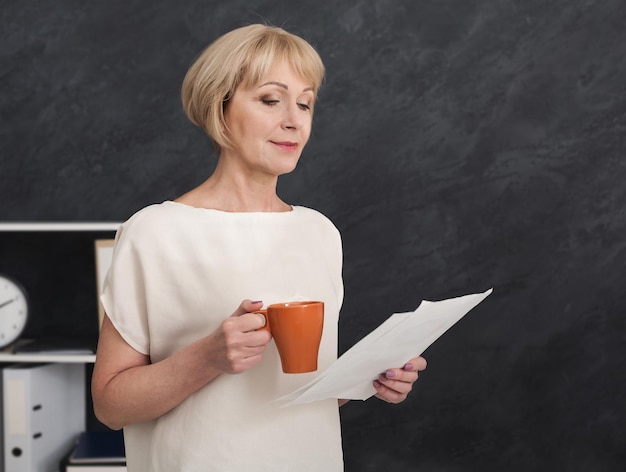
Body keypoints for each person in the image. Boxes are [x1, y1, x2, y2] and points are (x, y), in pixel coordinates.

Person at [91, 23, 427, 472]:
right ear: (220, 106)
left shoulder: (319, 233)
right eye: (271, 99)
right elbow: (110, 405)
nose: (294, 119)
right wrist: (208, 356)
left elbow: (290, 396)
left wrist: (368, 377)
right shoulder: (155, 231)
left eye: (305, 103)